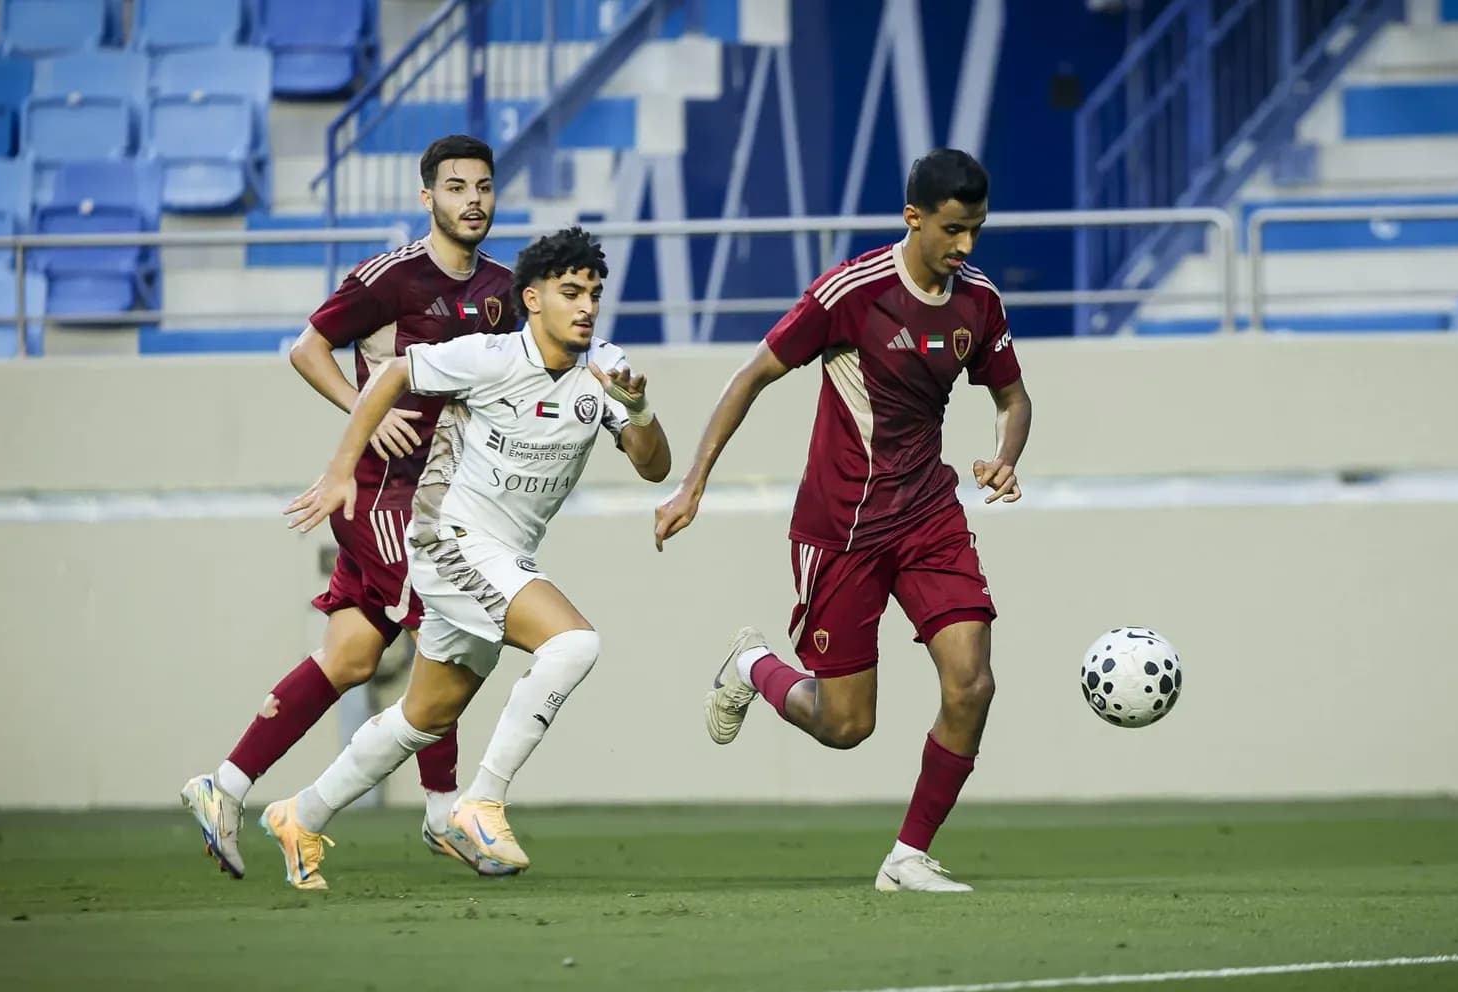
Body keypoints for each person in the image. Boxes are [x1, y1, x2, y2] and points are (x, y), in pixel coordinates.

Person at [653, 148, 1031, 893]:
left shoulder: (979, 302)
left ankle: (907, 857)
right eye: (953, 229)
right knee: (845, 725)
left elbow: (1012, 398)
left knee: (972, 685)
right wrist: (692, 482)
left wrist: (1005, 456)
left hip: (929, 518)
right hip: (842, 530)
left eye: (977, 230)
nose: (966, 245)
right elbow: (751, 375)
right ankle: (752, 666)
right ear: (913, 218)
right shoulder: (851, 293)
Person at [259, 226, 671, 890]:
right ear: (532, 299)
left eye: (594, 293)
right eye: (570, 292)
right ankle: (481, 803)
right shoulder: (490, 355)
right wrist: (340, 470)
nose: (586, 306)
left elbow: (655, 467)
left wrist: (639, 409)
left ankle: (298, 815)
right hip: (450, 540)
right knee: (573, 644)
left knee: (423, 717)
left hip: (502, 555)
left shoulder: (604, 367)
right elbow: (396, 371)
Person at [179, 135, 518, 879]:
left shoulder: (504, 287)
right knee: (448, 630)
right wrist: (365, 406)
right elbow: (306, 349)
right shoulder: (388, 279)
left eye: (483, 187)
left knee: (350, 657)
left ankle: (223, 786)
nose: (472, 200)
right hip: (386, 496)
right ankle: (445, 812)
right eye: (456, 187)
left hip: (447, 496)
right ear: (427, 197)